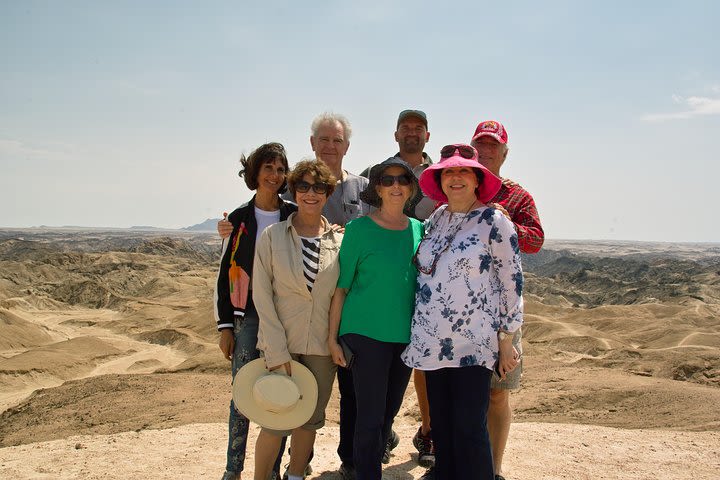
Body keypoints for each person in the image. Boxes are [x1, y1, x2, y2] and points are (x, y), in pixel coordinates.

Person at [402, 144, 524, 480]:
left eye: (463, 171)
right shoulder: (437, 218)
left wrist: (506, 339)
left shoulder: (494, 221)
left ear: (477, 179)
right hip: (432, 340)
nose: (455, 177)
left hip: (473, 343)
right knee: (442, 426)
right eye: (448, 172)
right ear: (439, 180)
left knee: (470, 427)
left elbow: (511, 284)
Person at [328, 157, 424, 480]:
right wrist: (333, 339)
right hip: (364, 334)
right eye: (387, 180)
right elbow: (340, 290)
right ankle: (366, 473)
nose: (395, 185)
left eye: (402, 180)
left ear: (410, 188)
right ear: (377, 189)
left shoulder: (419, 230)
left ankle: (365, 466)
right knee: (369, 416)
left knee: (387, 414)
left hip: (404, 336)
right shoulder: (358, 230)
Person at [252, 159, 343, 480]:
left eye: (319, 187)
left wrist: (334, 340)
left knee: (309, 419)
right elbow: (261, 295)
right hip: (282, 344)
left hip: (320, 345)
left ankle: (295, 474)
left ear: (328, 193)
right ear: (294, 190)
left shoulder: (340, 241)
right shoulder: (273, 236)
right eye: (303, 186)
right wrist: (275, 350)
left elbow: (340, 296)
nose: (310, 193)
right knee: (275, 419)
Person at [214, 143, 295, 480]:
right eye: (268, 168)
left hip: (286, 318)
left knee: (282, 393)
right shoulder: (239, 219)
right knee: (242, 397)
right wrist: (224, 327)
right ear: (256, 173)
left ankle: (273, 470)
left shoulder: (293, 213)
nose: (274, 176)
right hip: (247, 318)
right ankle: (233, 470)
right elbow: (224, 273)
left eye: (280, 169)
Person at [470, 120, 544, 480]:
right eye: (479, 144)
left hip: (502, 311)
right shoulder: (463, 186)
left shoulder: (517, 196)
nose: (485, 151)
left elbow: (535, 241)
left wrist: (506, 219)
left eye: (491, 145)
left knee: (497, 394)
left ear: (504, 152)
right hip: (462, 312)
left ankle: (493, 469)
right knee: (463, 395)